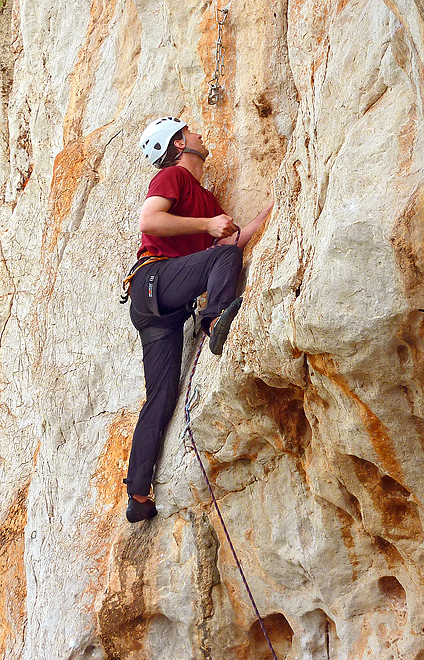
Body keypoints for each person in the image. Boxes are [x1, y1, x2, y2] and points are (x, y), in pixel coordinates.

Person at [122, 116, 272, 523]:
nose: (199, 134)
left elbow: (229, 242)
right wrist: (207, 226)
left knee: (161, 396)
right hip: (154, 279)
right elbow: (150, 221)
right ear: (177, 144)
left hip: (158, 306)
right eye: (189, 130)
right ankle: (214, 321)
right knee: (224, 256)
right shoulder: (173, 177)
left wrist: (269, 213)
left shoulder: (206, 198)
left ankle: (138, 495)